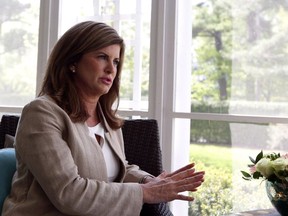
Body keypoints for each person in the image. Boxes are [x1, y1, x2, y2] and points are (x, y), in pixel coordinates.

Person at [2, 21, 205, 216]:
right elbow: (68, 192)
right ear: (72, 61)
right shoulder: (41, 113)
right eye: (102, 57)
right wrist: (145, 193)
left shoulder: (109, 120)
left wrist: (148, 181)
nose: (111, 69)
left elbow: (116, 170)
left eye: (115, 61)